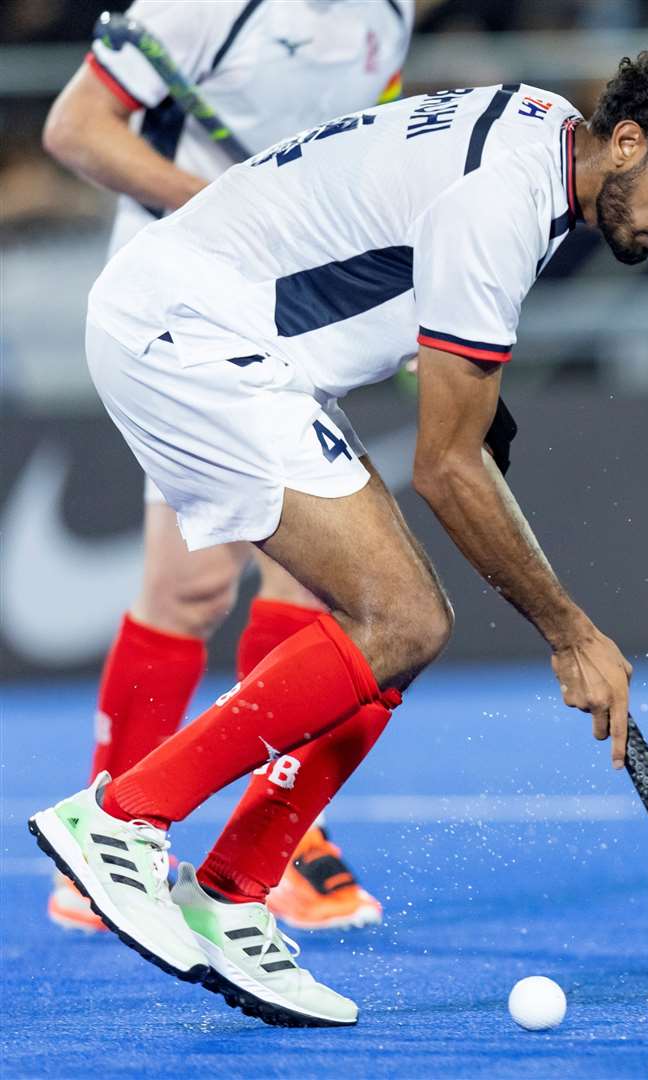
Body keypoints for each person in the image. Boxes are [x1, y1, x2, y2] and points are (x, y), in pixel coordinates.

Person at [29, 47, 648, 1028]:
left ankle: (228, 893)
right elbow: (446, 469)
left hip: (211, 329)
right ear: (627, 141)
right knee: (405, 616)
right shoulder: (502, 198)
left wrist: (477, 407)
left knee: (401, 622)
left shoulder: (546, 132)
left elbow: (418, 294)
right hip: (200, 337)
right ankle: (122, 819)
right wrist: (570, 633)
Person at [41, 0, 413, 935]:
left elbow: (365, 145)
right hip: (178, 300)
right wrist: (240, 211)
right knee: (193, 587)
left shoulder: (392, 11)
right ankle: (104, 850)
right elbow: (74, 128)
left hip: (300, 307)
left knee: (315, 566)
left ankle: (275, 841)